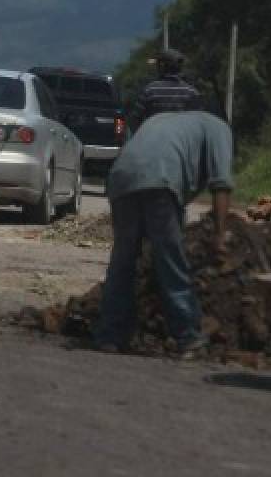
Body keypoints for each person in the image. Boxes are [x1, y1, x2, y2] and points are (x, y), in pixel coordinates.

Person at [93, 109, 233, 355]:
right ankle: (187, 335)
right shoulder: (220, 129)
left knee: (123, 260)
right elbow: (221, 184)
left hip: (121, 178)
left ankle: (110, 335)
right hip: (160, 178)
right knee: (170, 259)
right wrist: (220, 235)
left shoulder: (164, 121)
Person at [127, 49, 201, 129]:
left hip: (155, 138)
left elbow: (135, 118)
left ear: (162, 67)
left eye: (158, 65)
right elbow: (198, 121)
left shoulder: (150, 90)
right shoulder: (191, 92)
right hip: (182, 139)